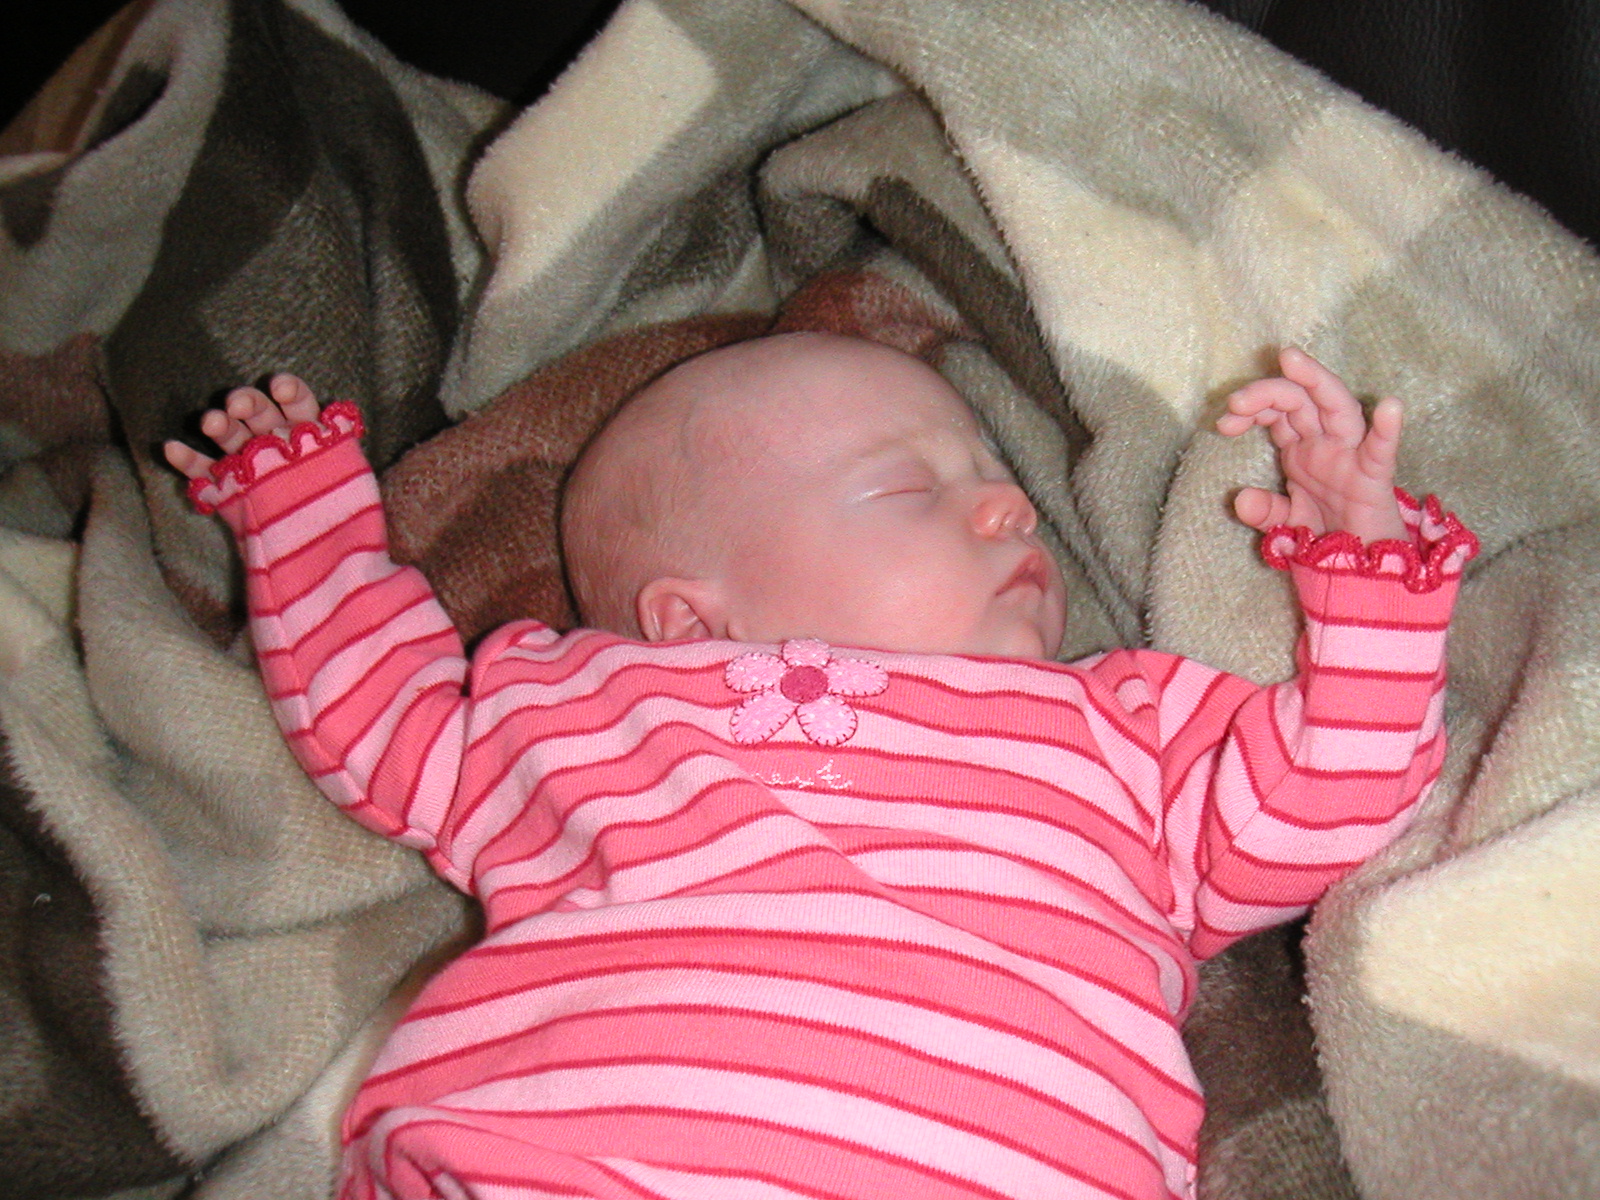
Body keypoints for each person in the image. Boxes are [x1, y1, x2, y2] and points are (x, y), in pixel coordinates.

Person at [165, 332, 1476, 1200]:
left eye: (996, 477)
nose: (1009, 508)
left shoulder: (1123, 725)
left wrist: (1366, 573)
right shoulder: (585, 704)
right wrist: (304, 514)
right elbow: (383, 720)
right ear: (690, 623)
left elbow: (1331, 792)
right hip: (565, 1158)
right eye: (907, 492)